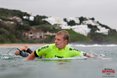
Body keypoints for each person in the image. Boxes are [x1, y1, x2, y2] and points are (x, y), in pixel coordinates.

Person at [15, 30, 95, 61]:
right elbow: (34, 54)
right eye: (55, 39)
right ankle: (23, 50)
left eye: (58, 40)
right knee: (26, 55)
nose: (55, 41)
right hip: (40, 58)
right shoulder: (48, 47)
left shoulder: (71, 50)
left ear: (65, 41)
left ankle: (26, 48)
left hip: (44, 58)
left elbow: (85, 54)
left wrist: (94, 57)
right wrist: (25, 63)